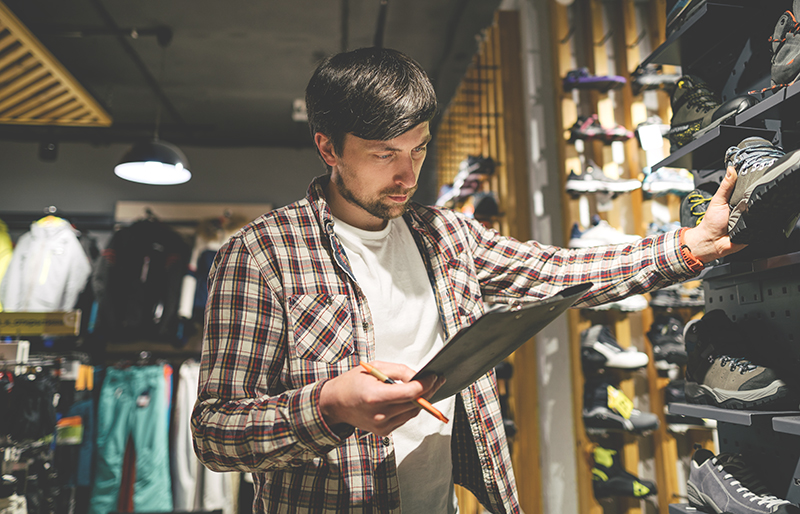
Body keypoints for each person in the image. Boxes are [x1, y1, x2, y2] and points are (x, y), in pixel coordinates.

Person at [191, 47, 743, 513]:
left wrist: (686, 247)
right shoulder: (260, 253)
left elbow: (557, 271)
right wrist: (329, 404)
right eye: (385, 154)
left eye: (419, 149)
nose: (408, 175)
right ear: (328, 147)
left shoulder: (445, 236)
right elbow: (215, 433)